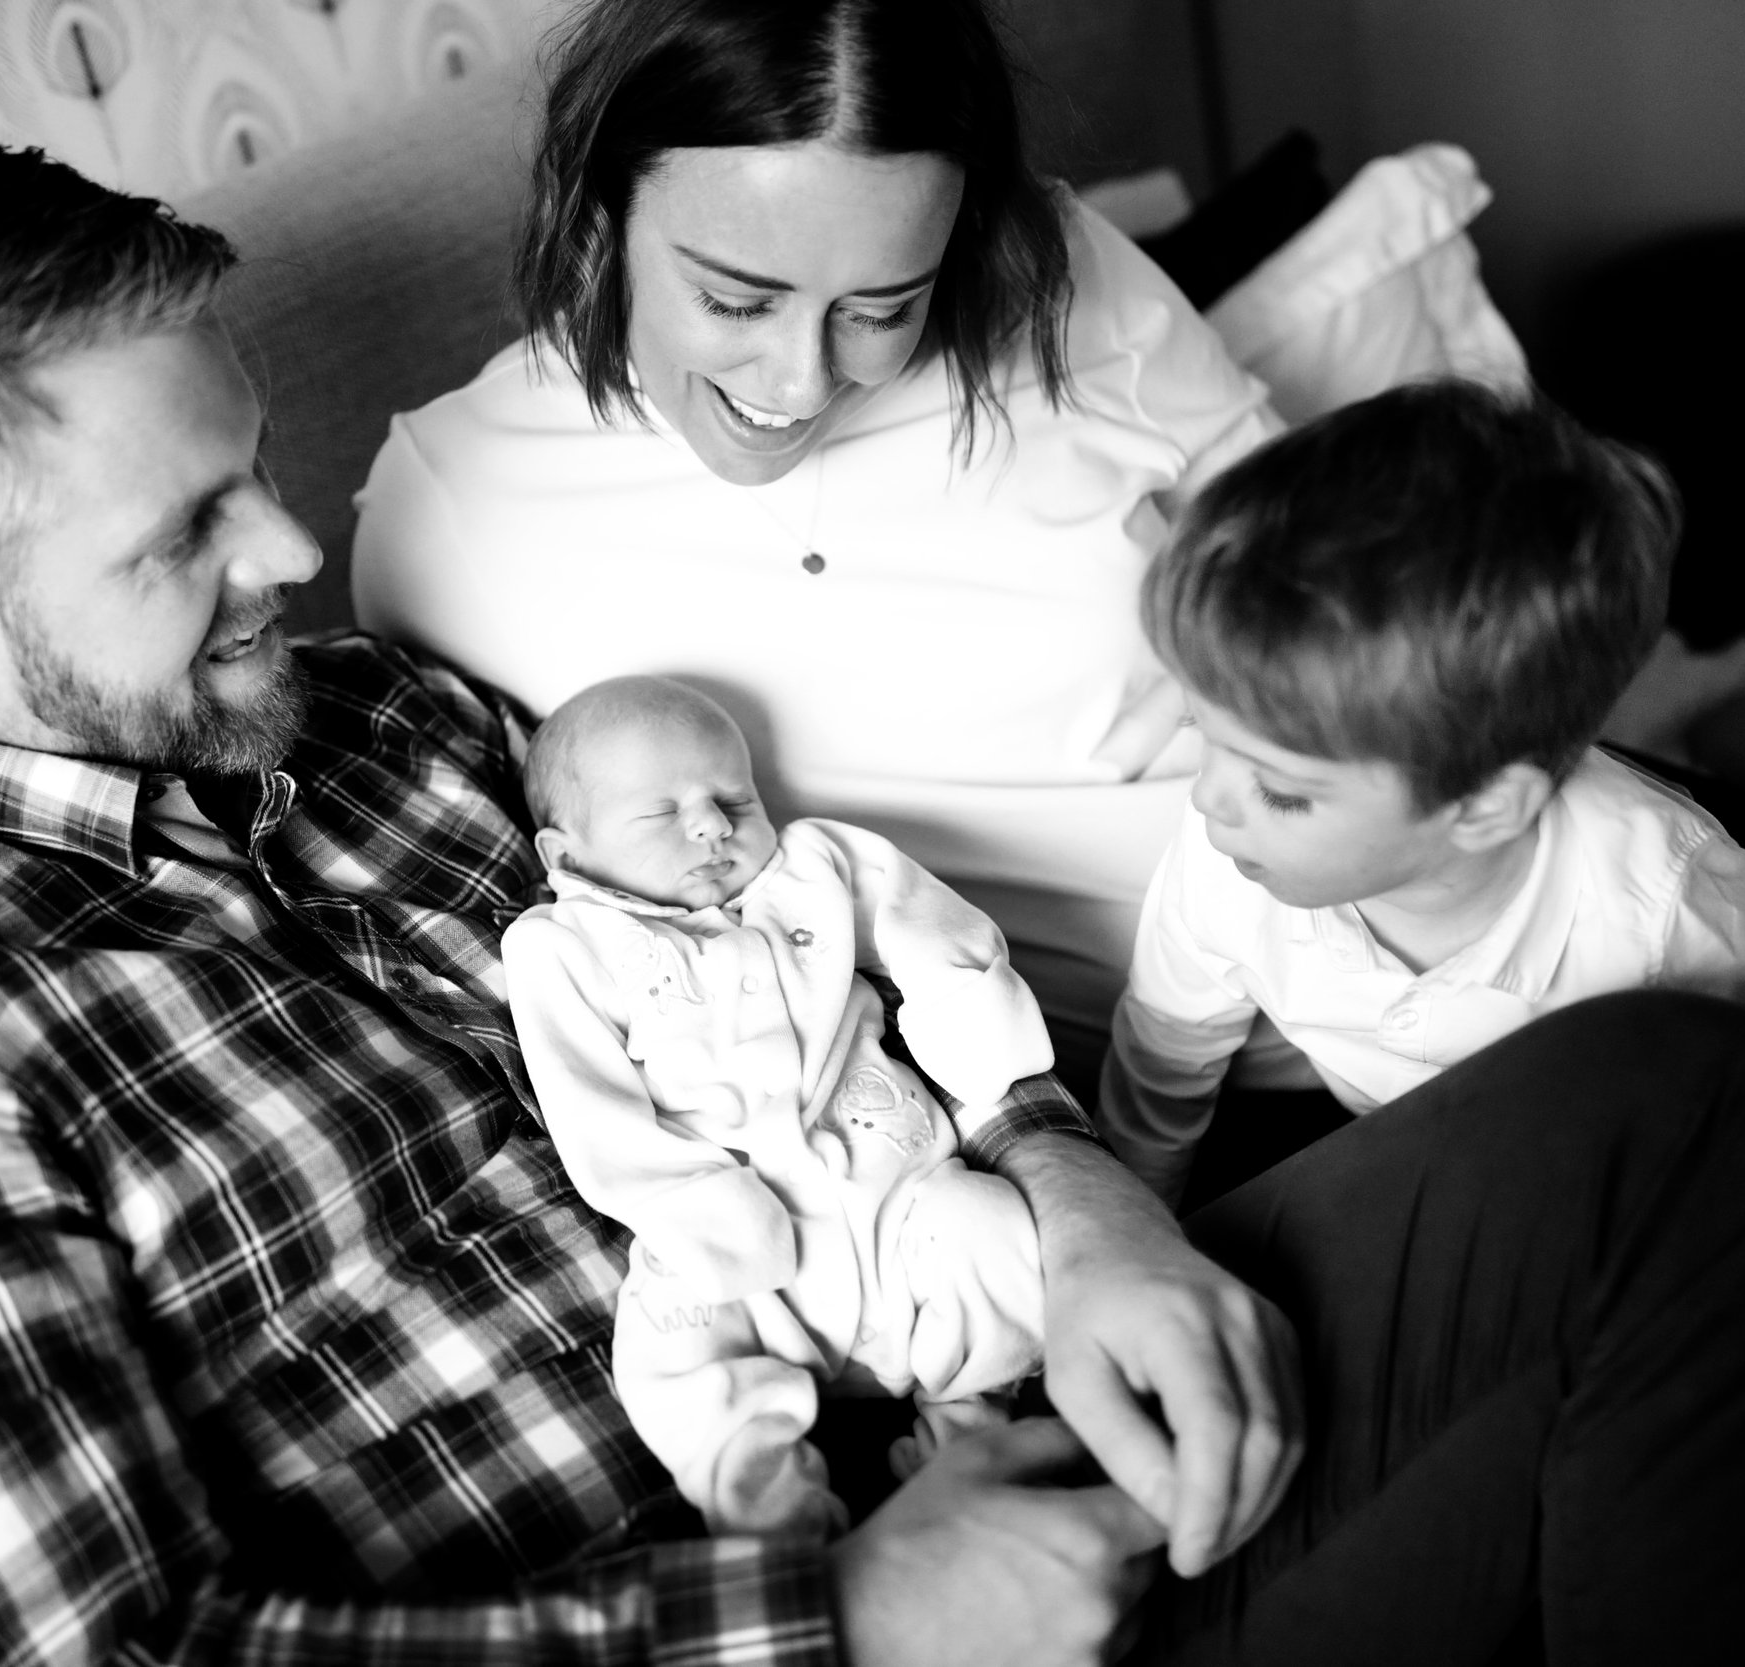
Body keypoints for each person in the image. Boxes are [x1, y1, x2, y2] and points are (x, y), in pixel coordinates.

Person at [0, 144, 1745, 1667]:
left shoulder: (383, 730)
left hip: (1003, 1399)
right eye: (185, 533)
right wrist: (837, 1613)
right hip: (821, 1606)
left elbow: (841, 957)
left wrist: (1075, 1185)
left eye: (256, 469)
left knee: (1686, 1091)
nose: (287, 553)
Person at [350, 0, 1283, 1079]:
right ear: (598, 216)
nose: (801, 382)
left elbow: (1323, 574)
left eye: (884, 310)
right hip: (1059, 1110)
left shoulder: (1062, 281)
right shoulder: (452, 512)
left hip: (1378, 955)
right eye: (736, 301)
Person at [1100, 382, 1745, 1205]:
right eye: (1200, 732)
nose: (1210, 800)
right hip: (1438, 1163)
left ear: (1487, 808)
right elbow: (1164, 1063)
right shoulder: (1231, 868)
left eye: (1280, 791)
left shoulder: (1657, 918)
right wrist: (1141, 1230)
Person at [505, 676, 1051, 1536]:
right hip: (734, 1246)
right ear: (565, 855)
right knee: (666, 1350)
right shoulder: (563, 947)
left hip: (896, 1202)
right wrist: (694, 1209)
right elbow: (592, 1108)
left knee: (995, 1230)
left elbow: (928, 920)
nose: (714, 825)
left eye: (735, 798)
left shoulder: (815, 869)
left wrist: (972, 1018)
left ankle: (968, 1437)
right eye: (664, 813)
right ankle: (776, 1512)